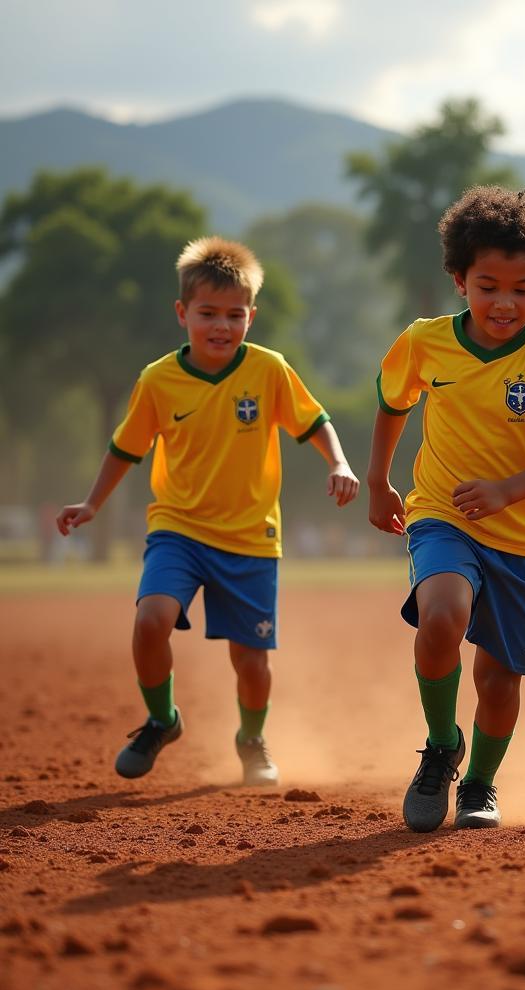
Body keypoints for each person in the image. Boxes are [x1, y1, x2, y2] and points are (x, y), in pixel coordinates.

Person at [56, 237, 359, 786]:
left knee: (251, 663)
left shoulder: (269, 370)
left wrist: (338, 462)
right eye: (208, 314)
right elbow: (126, 448)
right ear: (183, 313)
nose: (221, 326)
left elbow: (314, 422)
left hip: (249, 537)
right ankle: (161, 719)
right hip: (179, 528)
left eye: (234, 315)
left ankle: (251, 739)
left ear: (251, 316)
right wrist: (91, 503)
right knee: (151, 620)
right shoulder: (158, 380)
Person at [368, 186, 525, 832]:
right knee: (440, 618)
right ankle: (442, 745)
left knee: (498, 681)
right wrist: (379, 482)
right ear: (458, 281)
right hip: (442, 513)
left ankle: (480, 783)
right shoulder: (425, 343)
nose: (505, 303)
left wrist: (505, 491)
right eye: (488, 285)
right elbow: (393, 403)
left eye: (522, 289)